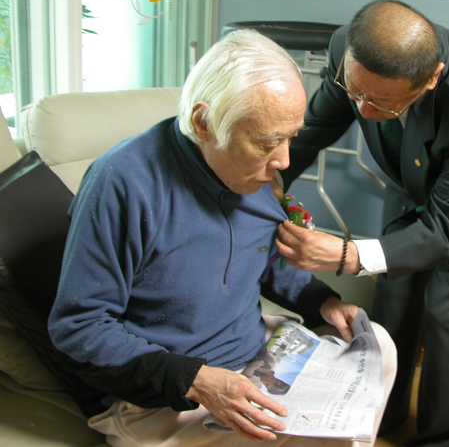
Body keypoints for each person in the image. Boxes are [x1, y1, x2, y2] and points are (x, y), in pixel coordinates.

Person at [47, 29, 396, 447]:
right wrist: (196, 380)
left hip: (255, 358)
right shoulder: (122, 183)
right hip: (166, 396)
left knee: (376, 346)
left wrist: (322, 302)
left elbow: (266, 259)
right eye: (268, 142)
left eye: (291, 137)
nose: (284, 160)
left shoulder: (252, 173)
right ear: (203, 122)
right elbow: (79, 326)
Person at [275, 0, 449, 447]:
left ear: (432, 78)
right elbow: (316, 128)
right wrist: (271, 179)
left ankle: (440, 436)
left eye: (382, 103)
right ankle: (383, 412)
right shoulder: (348, 48)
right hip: (426, 176)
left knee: (447, 307)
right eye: (355, 91)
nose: (363, 110)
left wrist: (349, 255)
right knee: (395, 288)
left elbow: (448, 229)